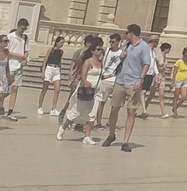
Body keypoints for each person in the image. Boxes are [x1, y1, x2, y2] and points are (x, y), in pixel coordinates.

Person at [102, 23, 152, 152]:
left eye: (127, 33)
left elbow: (146, 64)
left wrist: (140, 79)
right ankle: (111, 134)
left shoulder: (144, 47)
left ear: (131, 33)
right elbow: (121, 60)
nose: (125, 36)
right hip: (121, 79)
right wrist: (122, 56)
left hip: (133, 81)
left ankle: (126, 141)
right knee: (114, 108)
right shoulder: (128, 46)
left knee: (131, 111)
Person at [58, 41, 103, 144]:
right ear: (92, 51)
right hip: (86, 90)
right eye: (98, 49)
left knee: (92, 114)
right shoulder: (88, 61)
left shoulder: (101, 63)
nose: (100, 51)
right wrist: (86, 82)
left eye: (101, 50)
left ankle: (87, 136)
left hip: (97, 91)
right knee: (77, 111)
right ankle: (63, 127)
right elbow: (83, 75)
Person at [93, 33, 124, 129]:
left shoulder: (122, 53)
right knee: (102, 101)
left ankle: (111, 122)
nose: (111, 43)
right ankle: (98, 122)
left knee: (115, 104)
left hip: (116, 79)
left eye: (113, 42)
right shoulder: (106, 51)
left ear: (118, 42)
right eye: (110, 41)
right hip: (106, 79)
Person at [3, 18, 30, 120]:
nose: (23, 31)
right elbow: (6, 51)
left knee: (15, 89)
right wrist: (19, 55)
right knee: (6, 89)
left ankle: (10, 111)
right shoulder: (9, 37)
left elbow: (27, 51)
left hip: (19, 66)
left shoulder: (25, 38)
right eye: (22, 28)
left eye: (25, 29)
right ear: (18, 26)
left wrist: (25, 58)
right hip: (9, 66)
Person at [37, 36, 66, 115]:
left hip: (56, 69)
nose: (62, 44)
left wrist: (60, 71)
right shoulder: (51, 50)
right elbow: (45, 60)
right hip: (49, 68)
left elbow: (59, 62)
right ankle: (40, 107)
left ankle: (53, 108)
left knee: (57, 90)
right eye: (61, 42)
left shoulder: (61, 52)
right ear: (57, 42)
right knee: (45, 89)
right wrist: (43, 71)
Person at [171, 48, 187, 117]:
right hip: (178, 80)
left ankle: (175, 107)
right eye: (185, 56)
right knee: (176, 97)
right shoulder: (179, 62)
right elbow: (174, 72)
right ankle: (175, 112)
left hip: (184, 81)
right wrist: (173, 82)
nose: (186, 57)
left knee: (184, 96)